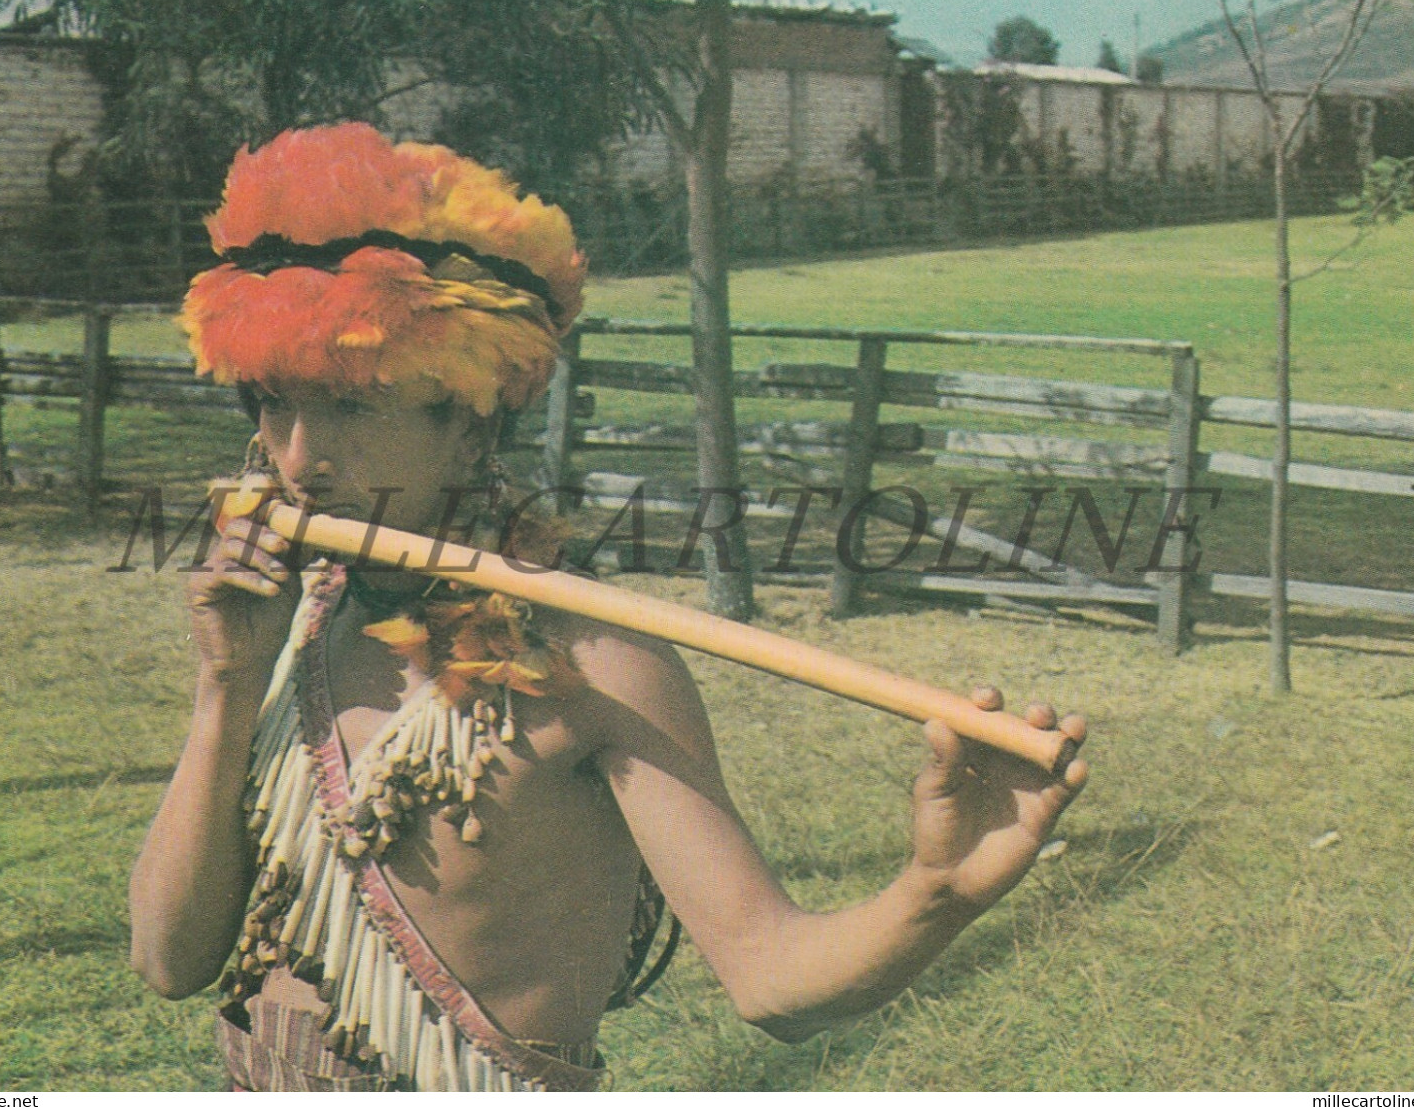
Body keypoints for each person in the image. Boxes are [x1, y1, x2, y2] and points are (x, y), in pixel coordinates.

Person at [128, 123, 1089, 1092]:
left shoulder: (598, 668)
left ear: (469, 422)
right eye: (274, 405)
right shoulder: (292, 623)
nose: (296, 460)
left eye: (350, 408)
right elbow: (169, 962)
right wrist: (226, 684)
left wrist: (937, 891)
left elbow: (770, 980)